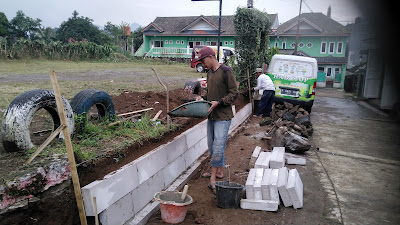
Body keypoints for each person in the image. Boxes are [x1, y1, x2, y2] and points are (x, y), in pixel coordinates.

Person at [194, 46, 238, 195]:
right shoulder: (210, 73)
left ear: (211, 57)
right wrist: (203, 98)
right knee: (212, 146)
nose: (202, 63)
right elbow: (210, 94)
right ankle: (219, 172)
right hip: (212, 116)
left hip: (223, 117)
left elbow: (234, 94)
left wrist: (219, 102)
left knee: (218, 146)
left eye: (203, 60)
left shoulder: (226, 71)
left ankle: (213, 179)